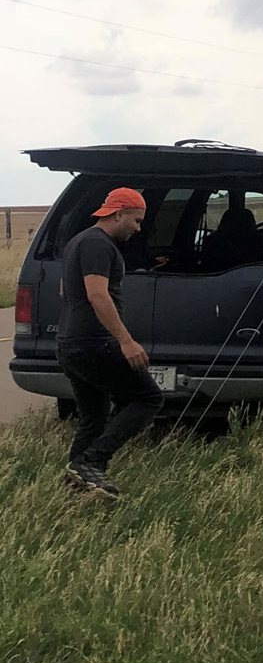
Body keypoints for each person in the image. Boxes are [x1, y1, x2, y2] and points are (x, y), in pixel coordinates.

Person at [58, 187, 163, 497]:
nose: (138, 228)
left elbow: (66, 292)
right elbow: (97, 294)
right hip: (94, 342)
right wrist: (125, 341)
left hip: (72, 342)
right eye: (136, 220)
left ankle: (77, 488)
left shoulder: (78, 241)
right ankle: (93, 462)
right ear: (118, 214)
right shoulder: (97, 244)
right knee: (147, 398)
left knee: (93, 417)